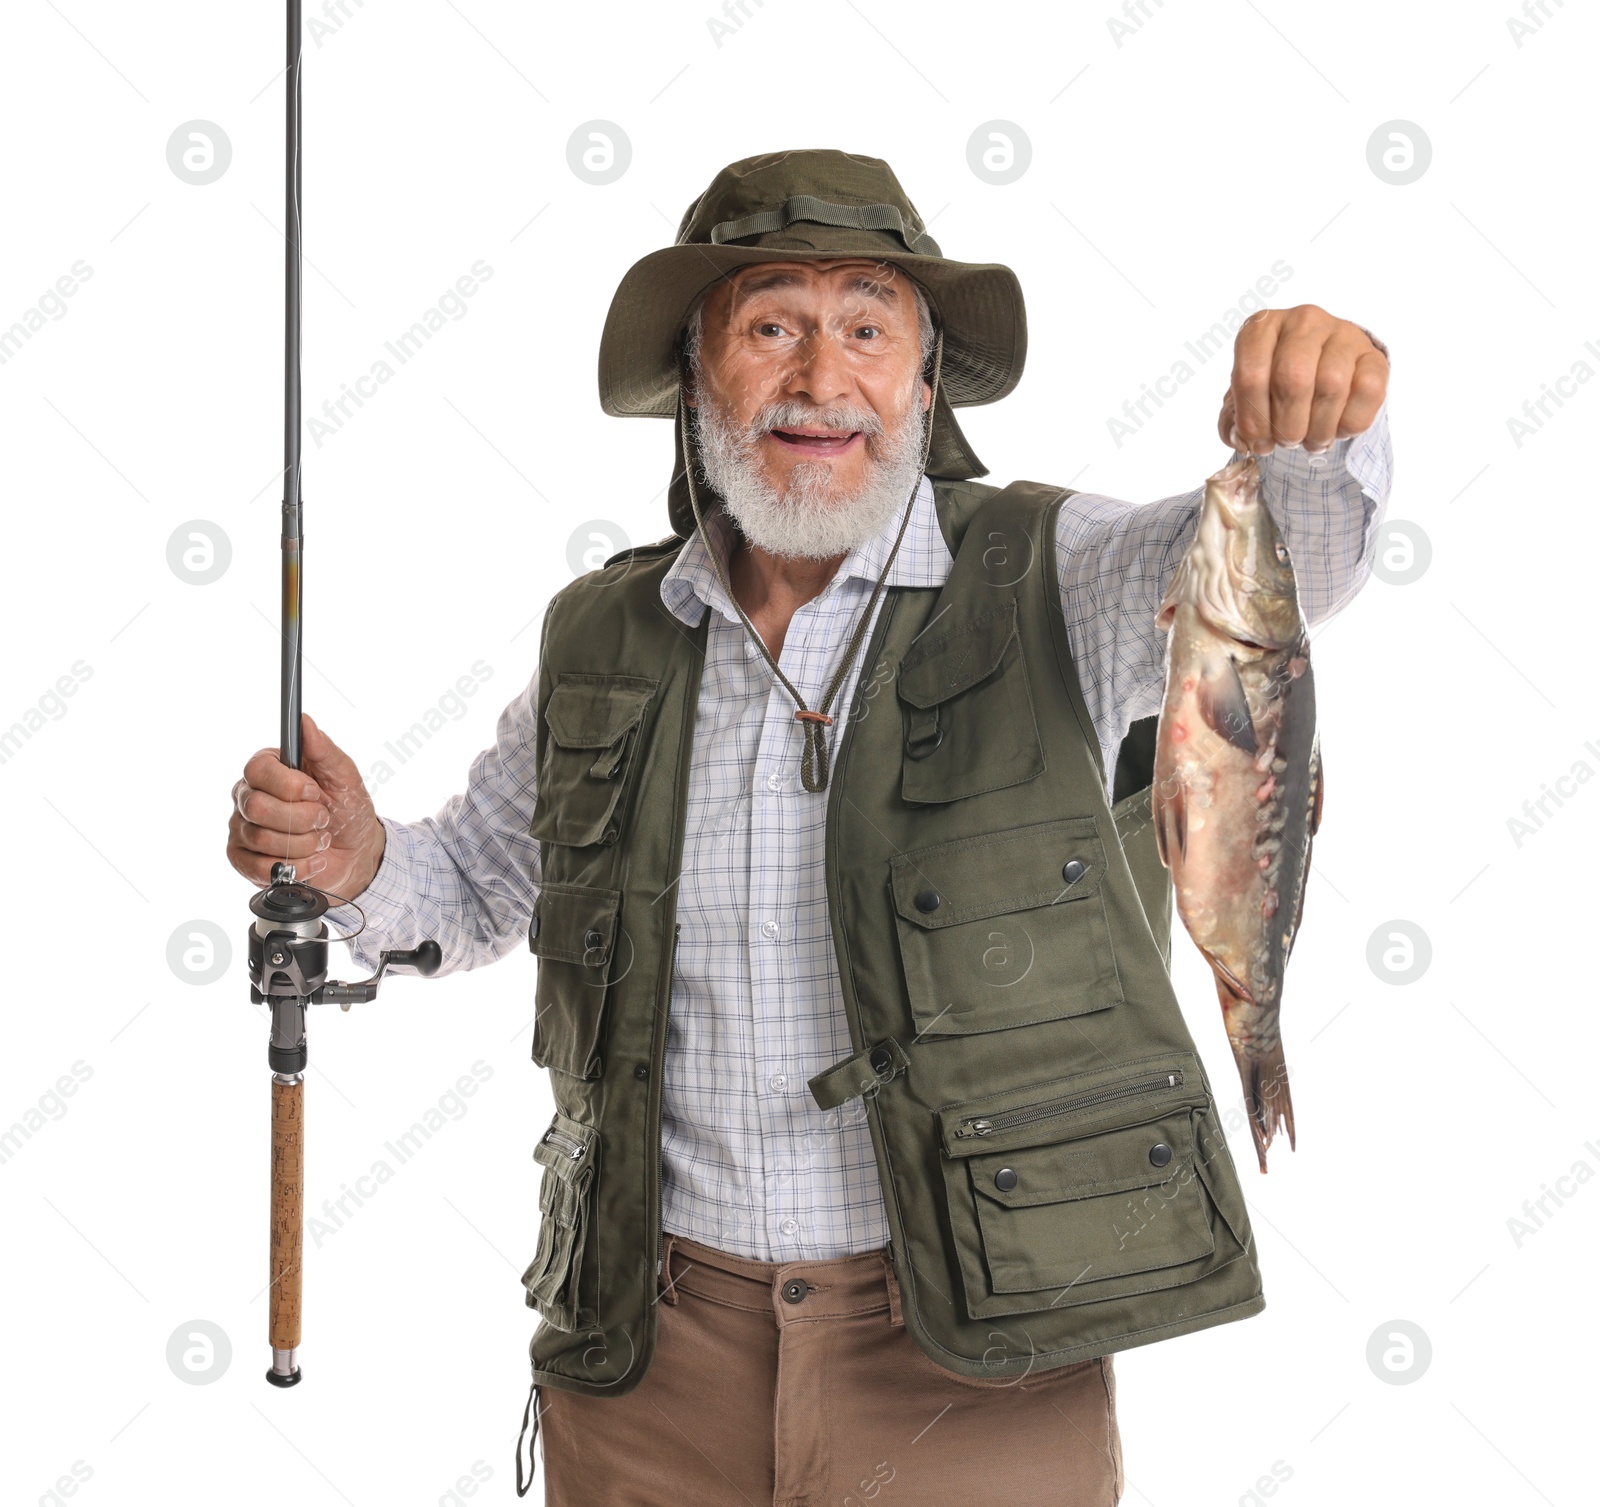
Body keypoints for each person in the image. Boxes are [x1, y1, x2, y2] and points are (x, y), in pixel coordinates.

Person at [227, 149, 1391, 1506]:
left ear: (926, 376)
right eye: (772, 325)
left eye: (867, 328)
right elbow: (487, 889)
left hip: (978, 1360)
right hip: (648, 1364)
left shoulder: (1054, 574)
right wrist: (357, 858)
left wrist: (1322, 412)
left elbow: (1281, 565)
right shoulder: (606, 637)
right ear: (693, 380)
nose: (822, 381)